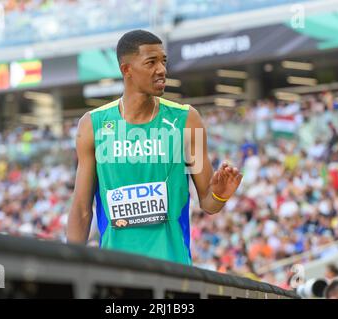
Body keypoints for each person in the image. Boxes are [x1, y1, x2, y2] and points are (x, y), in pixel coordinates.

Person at [66, 30, 243, 265]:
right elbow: (81, 209)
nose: (162, 70)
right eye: (151, 62)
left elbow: (208, 203)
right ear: (126, 69)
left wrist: (221, 194)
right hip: (116, 271)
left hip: (173, 270)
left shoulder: (187, 120)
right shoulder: (92, 125)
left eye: (163, 61)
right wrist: (70, 268)